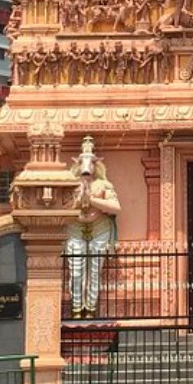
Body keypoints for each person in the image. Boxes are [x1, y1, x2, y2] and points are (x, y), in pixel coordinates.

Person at [65, 136, 121, 319]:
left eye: (90, 162)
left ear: (97, 164)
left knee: (95, 271)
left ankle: (90, 310)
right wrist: (78, 200)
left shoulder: (104, 184)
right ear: (77, 163)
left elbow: (116, 208)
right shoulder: (70, 185)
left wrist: (93, 200)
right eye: (82, 162)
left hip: (99, 228)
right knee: (76, 272)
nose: (86, 169)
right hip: (75, 228)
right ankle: (76, 309)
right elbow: (62, 208)